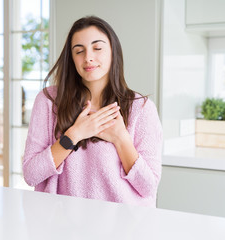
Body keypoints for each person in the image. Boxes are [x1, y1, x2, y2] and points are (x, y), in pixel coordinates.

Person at [23, 16, 163, 207]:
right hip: (61, 227)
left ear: (113, 52)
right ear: (72, 58)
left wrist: (121, 139)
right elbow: (31, 174)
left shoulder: (141, 108)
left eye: (97, 48)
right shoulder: (49, 101)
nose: (88, 57)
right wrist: (74, 135)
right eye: (79, 51)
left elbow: (148, 187)